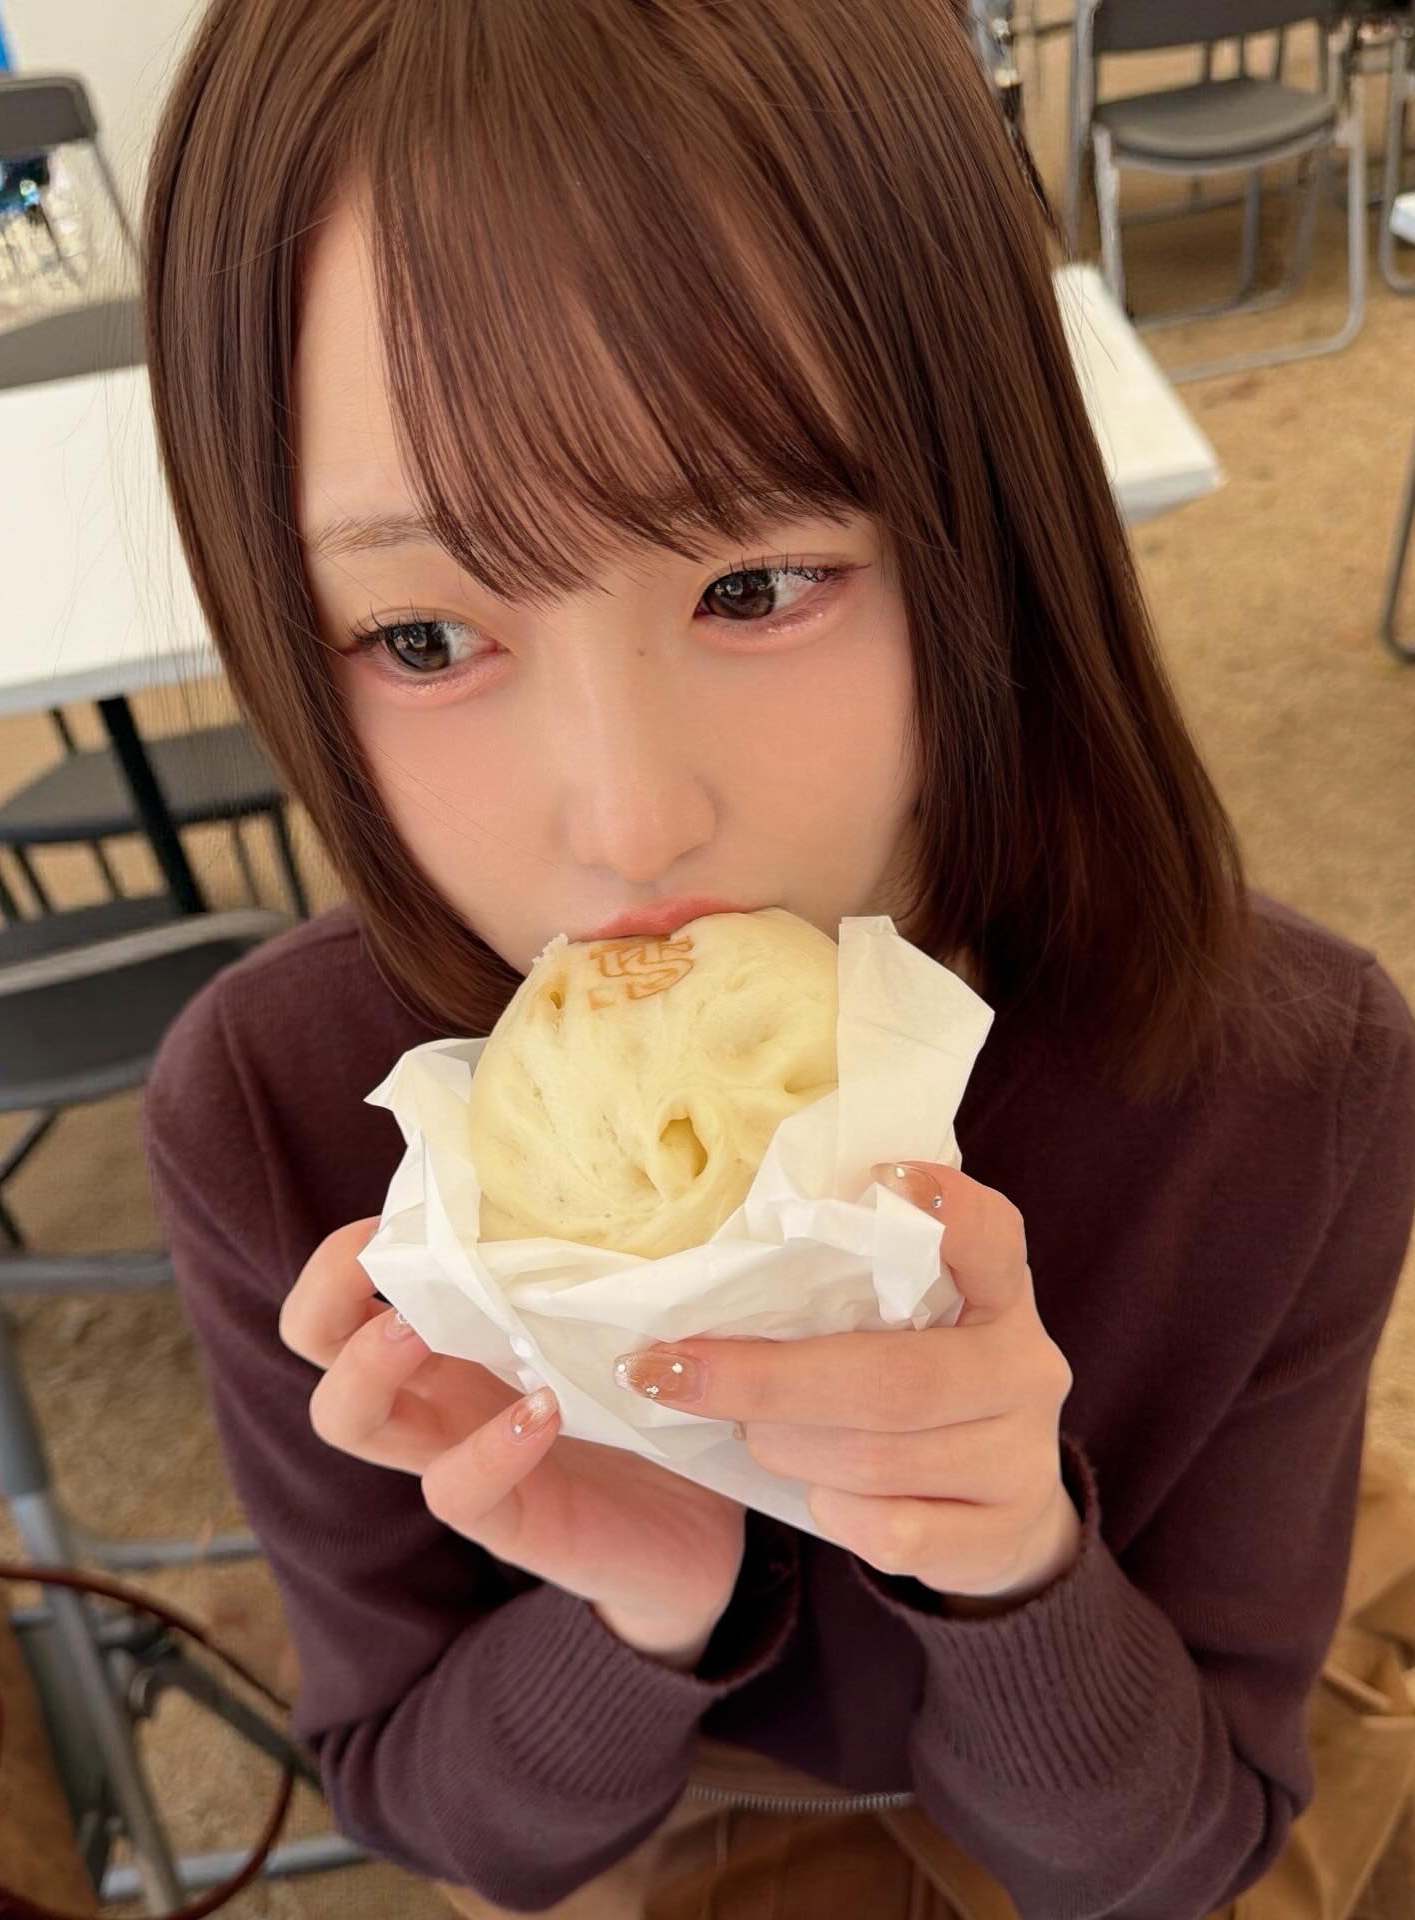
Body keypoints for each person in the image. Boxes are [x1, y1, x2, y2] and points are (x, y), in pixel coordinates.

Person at [138, 1, 1415, 1915]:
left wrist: (1008, 1566)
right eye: (423, 638)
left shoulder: (1282, 1080)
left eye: (753, 583)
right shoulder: (278, 1110)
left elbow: (1184, 1849)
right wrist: (648, 1593)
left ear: (989, 527)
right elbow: (429, 1802)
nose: (629, 821)